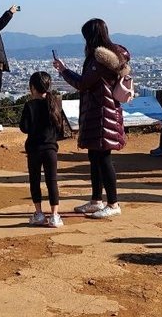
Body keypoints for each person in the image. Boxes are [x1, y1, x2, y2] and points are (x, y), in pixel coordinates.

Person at [53, 18, 130, 219]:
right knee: (95, 157)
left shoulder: (99, 59)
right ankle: (97, 200)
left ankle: (113, 203)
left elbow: (83, 84)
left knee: (103, 158)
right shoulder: (114, 55)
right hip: (104, 110)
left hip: (101, 112)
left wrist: (63, 71)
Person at [19, 71, 71, 228]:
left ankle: (39, 213)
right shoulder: (54, 103)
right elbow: (60, 128)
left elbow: (24, 128)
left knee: (34, 180)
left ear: (32, 88)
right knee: (52, 181)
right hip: (50, 149)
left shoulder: (30, 106)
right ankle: (55, 215)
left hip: (34, 149)